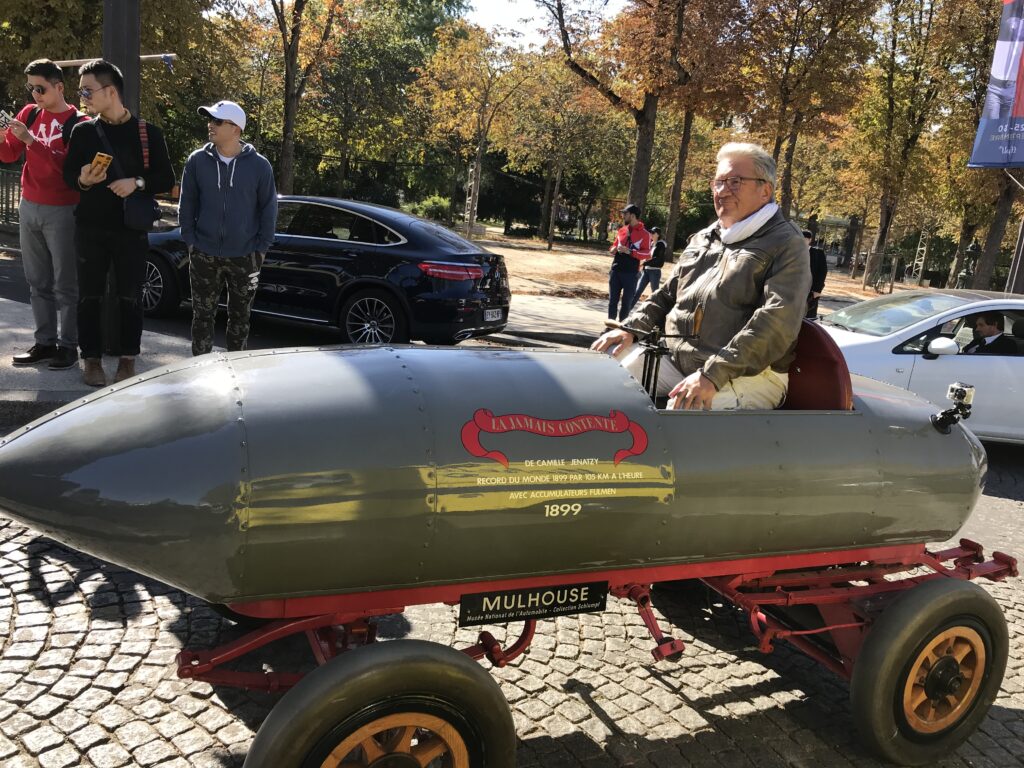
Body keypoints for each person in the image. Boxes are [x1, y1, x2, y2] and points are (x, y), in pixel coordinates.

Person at [591, 142, 810, 410]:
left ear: (765, 190)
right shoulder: (705, 237)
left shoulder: (786, 242)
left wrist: (713, 374)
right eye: (718, 182)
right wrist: (631, 329)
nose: (722, 191)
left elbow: (777, 321)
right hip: (679, 361)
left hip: (749, 375)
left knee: (684, 409)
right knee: (603, 375)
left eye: (735, 182)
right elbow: (667, 294)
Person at [62, 59, 175, 387]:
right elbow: (69, 175)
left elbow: (166, 178)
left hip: (130, 229)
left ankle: (128, 360)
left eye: (87, 90)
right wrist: (83, 179)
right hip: (90, 227)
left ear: (110, 91)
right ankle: (91, 360)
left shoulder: (148, 133)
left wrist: (135, 183)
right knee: (89, 296)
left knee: (130, 296)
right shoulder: (82, 131)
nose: (82, 97)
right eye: (80, 91)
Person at [1, 59, 87, 370]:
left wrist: (31, 141)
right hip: (29, 204)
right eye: (31, 88)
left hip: (63, 208)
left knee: (66, 283)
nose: (35, 95)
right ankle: (45, 342)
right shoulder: (29, 113)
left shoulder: (79, 122)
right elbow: (9, 154)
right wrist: (3, 136)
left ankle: (69, 346)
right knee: (37, 281)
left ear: (59, 87)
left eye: (40, 88)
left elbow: (68, 168)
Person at [179, 100, 277, 356]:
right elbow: (187, 204)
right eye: (210, 119)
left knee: (240, 320)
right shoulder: (197, 161)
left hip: (245, 257)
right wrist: (191, 241)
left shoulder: (260, 166)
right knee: (202, 318)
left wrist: (260, 251)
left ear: (236, 129)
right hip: (203, 253)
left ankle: (237, 373)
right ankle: (201, 372)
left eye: (217, 121)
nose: (210, 125)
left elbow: (269, 209)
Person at [607, 204, 650, 321]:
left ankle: (622, 326)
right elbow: (614, 245)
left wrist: (630, 252)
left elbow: (647, 254)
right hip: (616, 270)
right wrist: (613, 249)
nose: (623, 216)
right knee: (612, 301)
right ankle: (610, 326)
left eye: (625, 213)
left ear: (633, 216)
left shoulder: (645, 234)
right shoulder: (622, 230)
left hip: (631, 274)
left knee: (626, 303)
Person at [631, 225, 666, 309]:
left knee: (655, 294)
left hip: (655, 272)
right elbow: (646, 256)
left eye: (653, 232)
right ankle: (626, 310)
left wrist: (644, 264)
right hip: (646, 271)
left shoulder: (661, 244)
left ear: (658, 234)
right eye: (650, 232)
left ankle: (659, 312)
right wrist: (643, 267)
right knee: (637, 291)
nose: (651, 234)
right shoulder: (651, 243)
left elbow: (657, 259)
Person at [803, 230, 827, 319]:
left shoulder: (818, 253)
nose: (803, 241)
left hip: (812, 290)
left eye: (805, 239)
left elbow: (823, 272)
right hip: (796, 289)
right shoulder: (794, 252)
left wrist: (817, 290)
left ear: (810, 240)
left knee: (809, 314)